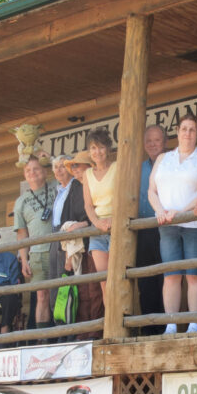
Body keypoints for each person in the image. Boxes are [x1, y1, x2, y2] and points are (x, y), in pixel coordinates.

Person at [149, 113, 197, 335]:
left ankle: (194, 323)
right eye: (184, 129)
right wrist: (160, 211)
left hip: (195, 223)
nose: (187, 133)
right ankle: (171, 324)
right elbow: (152, 190)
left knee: (194, 274)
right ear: (177, 131)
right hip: (166, 223)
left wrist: (181, 212)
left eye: (192, 130)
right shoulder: (163, 158)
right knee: (171, 275)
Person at [62, 151, 104, 337]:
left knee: (95, 289)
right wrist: (68, 255)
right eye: (73, 167)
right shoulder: (73, 189)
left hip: (95, 241)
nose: (75, 170)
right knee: (83, 290)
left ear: (89, 167)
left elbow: (97, 213)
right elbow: (68, 220)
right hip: (79, 245)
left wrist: (83, 224)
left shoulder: (95, 184)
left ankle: (96, 330)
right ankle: (83, 331)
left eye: (78, 166)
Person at [14, 158, 56, 330]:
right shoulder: (21, 202)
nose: (32, 172)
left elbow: (67, 171)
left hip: (59, 249)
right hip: (37, 254)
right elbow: (22, 234)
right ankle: (43, 337)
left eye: (36, 169)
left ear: (45, 172)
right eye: (28, 170)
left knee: (62, 292)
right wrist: (24, 260)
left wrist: (51, 158)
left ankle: (64, 333)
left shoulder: (56, 187)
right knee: (42, 296)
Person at [136, 124, 166, 332]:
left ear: (164, 142)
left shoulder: (171, 163)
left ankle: (167, 326)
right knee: (146, 279)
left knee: (167, 278)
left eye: (156, 140)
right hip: (143, 229)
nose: (153, 144)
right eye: (149, 141)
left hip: (165, 226)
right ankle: (148, 327)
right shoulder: (139, 168)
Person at [83, 127, 117, 300]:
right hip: (97, 231)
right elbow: (88, 205)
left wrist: (113, 219)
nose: (98, 152)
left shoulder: (117, 168)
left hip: (116, 227)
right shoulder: (87, 174)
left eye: (101, 147)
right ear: (89, 152)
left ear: (108, 149)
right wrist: (97, 223)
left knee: (116, 280)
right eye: (93, 148)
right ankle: (109, 325)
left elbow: (124, 199)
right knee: (103, 282)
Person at [47, 155, 74, 325]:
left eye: (62, 166)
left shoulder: (75, 188)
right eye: (55, 167)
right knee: (54, 284)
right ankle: (59, 326)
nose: (58, 170)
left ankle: (68, 328)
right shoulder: (59, 190)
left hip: (67, 238)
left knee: (66, 282)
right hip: (54, 236)